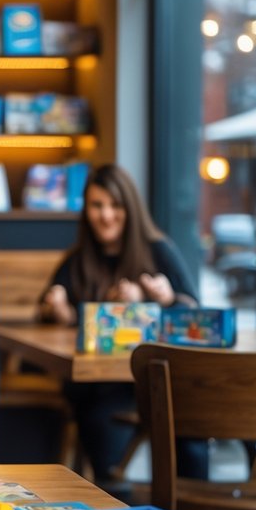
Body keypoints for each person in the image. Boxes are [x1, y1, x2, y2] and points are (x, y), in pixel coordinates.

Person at [37, 162, 203, 483]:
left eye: (115, 205)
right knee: (101, 430)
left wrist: (165, 300)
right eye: (97, 205)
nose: (106, 215)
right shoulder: (79, 258)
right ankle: (117, 509)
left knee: (193, 435)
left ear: (131, 208)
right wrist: (59, 310)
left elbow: (195, 313)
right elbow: (49, 311)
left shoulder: (159, 250)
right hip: (102, 388)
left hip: (163, 384)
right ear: (85, 209)